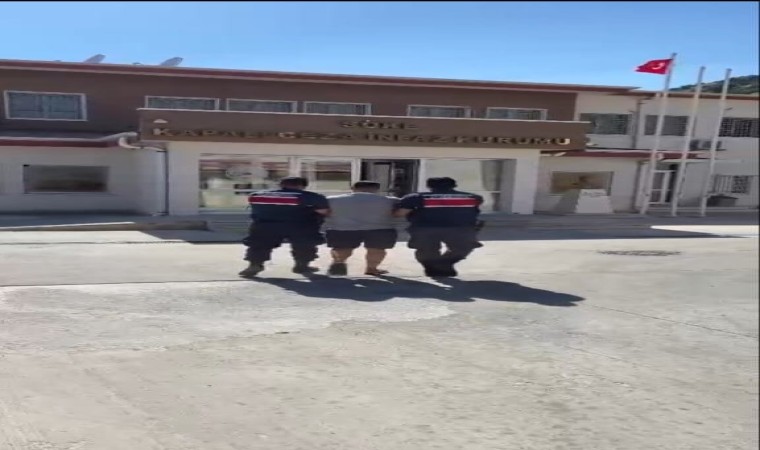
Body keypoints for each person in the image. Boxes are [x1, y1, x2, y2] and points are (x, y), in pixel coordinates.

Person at [239, 177, 330, 277]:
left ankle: (254, 265)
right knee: (305, 245)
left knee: (259, 245)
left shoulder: (257, 195)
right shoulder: (312, 197)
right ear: (302, 186)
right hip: (300, 226)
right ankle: (302, 265)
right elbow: (323, 212)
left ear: (281, 185)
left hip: (265, 225)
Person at [394, 177, 483, 277]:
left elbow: (400, 213)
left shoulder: (416, 197)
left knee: (426, 250)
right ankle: (444, 265)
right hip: (460, 229)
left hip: (426, 229)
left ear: (429, 186)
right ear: (454, 185)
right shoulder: (473, 198)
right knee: (461, 248)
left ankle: (433, 268)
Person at [324, 181, 399, 276]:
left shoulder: (332, 200)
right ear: (376, 189)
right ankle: (371, 269)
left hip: (343, 227)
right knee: (377, 249)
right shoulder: (391, 201)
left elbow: (325, 212)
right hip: (380, 228)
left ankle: (338, 263)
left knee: (342, 248)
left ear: (353, 188)